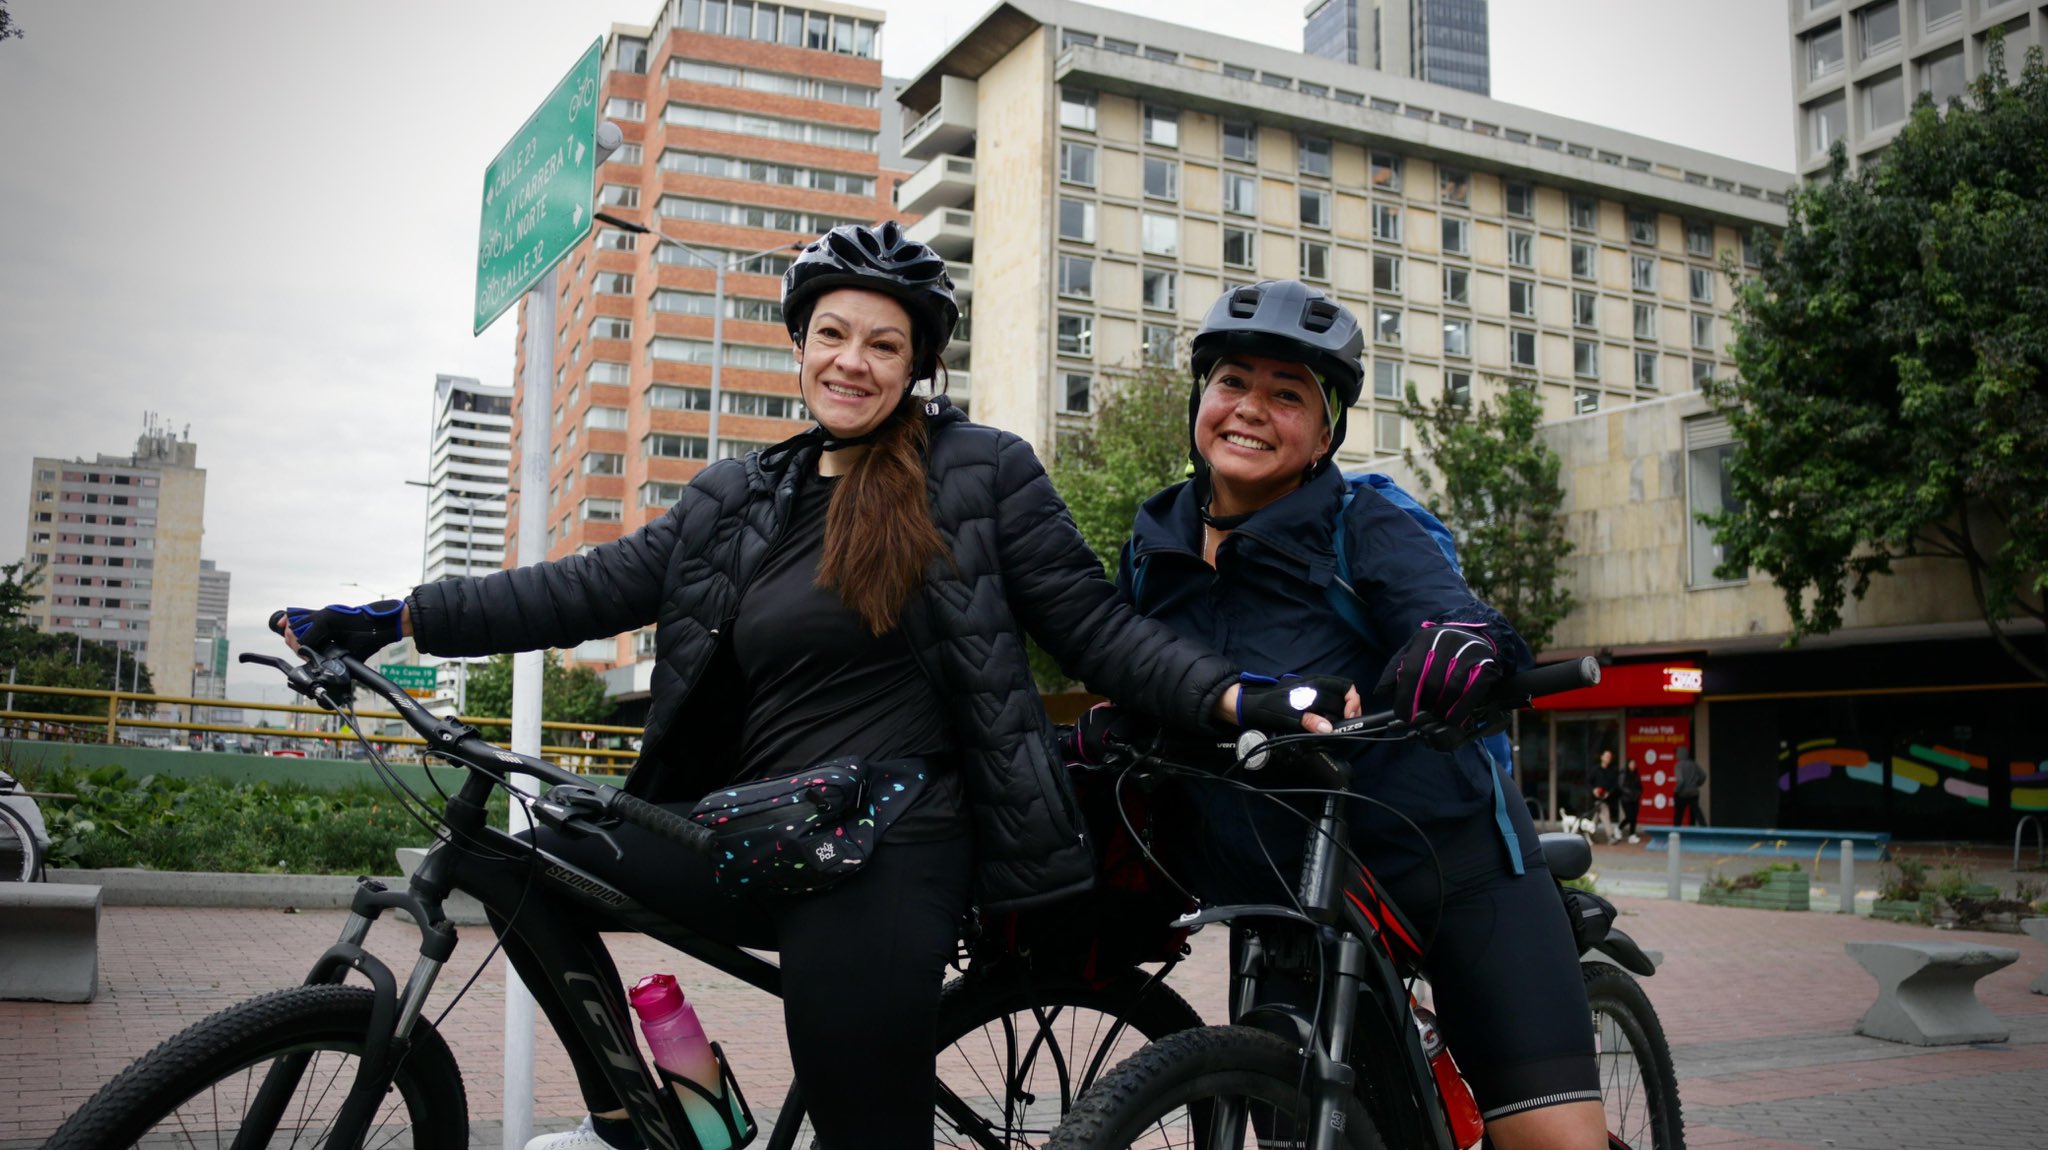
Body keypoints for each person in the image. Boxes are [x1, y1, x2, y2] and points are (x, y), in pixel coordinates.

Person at [274, 224, 1354, 1150]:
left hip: (889, 845)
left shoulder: (978, 473)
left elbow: (1095, 628)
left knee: (860, 1126)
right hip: (746, 827)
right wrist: (392, 617)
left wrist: (1240, 697)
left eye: (883, 343)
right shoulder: (737, 495)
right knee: (530, 852)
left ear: (916, 364)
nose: (853, 361)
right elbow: (581, 588)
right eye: (832, 334)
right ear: (799, 344)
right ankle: (659, 1111)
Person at [1111, 281, 1606, 1149]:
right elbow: (1142, 678)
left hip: (1443, 861)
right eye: (1232, 382)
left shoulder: (1363, 519)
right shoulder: (1154, 543)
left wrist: (1460, 646)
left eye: (1287, 394)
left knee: (1550, 1141)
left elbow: (1452, 612)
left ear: (1326, 432)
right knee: (1301, 1129)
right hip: (1281, 889)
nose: (1251, 410)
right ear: (1200, 397)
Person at [1587, 747, 1622, 844]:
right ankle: (1610, 836)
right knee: (1605, 813)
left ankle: (1588, 834)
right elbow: (1588, 782)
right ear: (1602, 757)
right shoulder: (1595, 770)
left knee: (1596, 819)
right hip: (1596, 799)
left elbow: (1615, 785)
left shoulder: (1612, 771)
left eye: (1610, 757)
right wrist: (1594, 790)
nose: (1608, 758)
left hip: (1607, 799)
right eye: (1606, 756)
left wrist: (1608, 793)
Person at [1674, 749, 1707, 827]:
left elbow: (1681, 781)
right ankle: (1705, 829)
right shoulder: (1693, 764)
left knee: (1679, 814)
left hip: (1682, 793)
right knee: (1697, 812)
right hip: (1694, 792)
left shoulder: (1679, 765)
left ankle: (1676, 832)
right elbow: (1703, 775)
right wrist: (1698, 784)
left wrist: (1676, 790)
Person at [1617, 754, 1642, 843]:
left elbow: (1640, 787)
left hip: (1635, 799)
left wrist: (1637, 794)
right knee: (1629, 816)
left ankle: (1632, 835)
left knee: (1634, 818)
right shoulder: (1623, 774)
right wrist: (1630, 793)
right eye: (1631, 764)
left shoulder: (1636, 775)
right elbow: (1621, 786)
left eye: (1634, 764)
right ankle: (1619, 828)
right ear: (1628, 764)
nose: (1633, 766)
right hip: (1626, 799)